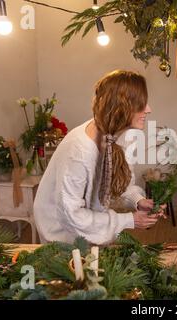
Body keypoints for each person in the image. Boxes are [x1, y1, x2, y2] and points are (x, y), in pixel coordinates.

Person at [34, 70, 165, 245]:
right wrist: (129, 220)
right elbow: (71, 216)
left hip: (89, 225)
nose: (149, 109)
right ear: (121, 107)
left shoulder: (118, 135)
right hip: (61, 233)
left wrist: (138, 201)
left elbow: (120, 183)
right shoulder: (80, 151)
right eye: (141, 105)